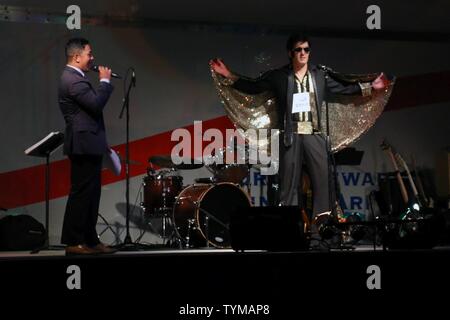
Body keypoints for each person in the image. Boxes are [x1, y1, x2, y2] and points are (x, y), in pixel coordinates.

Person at [210, 33, 387, 226]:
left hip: (314, 135)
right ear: (290, 53)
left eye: (306, 49)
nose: (303, 53)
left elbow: (344, 88)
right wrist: (228, 75)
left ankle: (322, 230)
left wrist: (371, 87)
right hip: (291, 137)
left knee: (323, 184)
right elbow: (254, 87)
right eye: (298, 50)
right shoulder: (279, 76)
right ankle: (289, 230)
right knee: (288, 187)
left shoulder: (319, 75)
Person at [59, 37, 116, 255]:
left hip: (90, 143)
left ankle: (90, 240)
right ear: (76, 56)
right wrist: (104, 82)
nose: (92, 58)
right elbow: (95, 104)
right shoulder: (72, 79)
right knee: (81, 194)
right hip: (82, 144)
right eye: (89, 54)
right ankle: (74, 241)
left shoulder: (77, 78)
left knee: (92, 194)